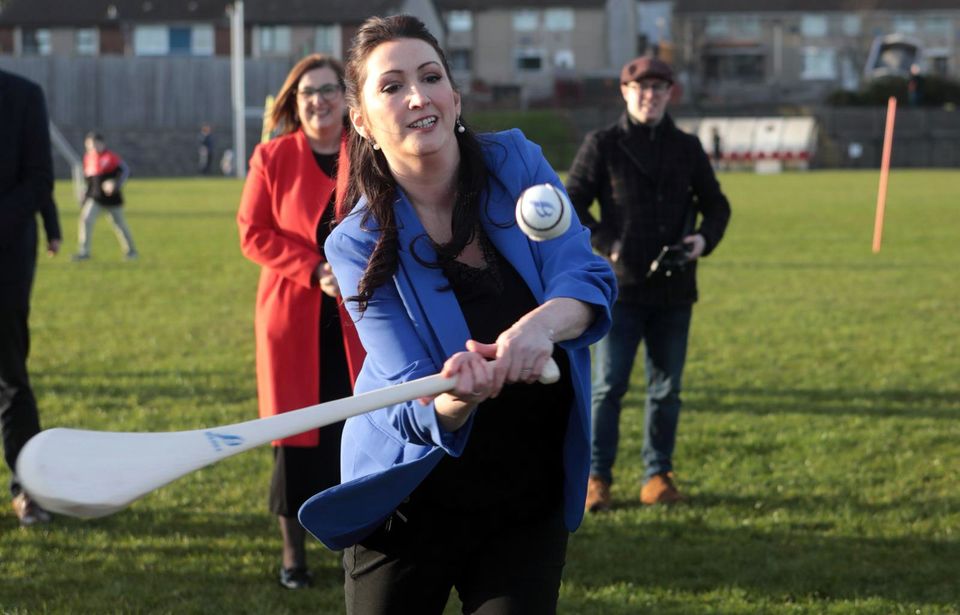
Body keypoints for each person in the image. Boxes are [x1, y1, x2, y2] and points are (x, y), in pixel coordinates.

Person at [297, 16, 616, 614]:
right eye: (391, 86)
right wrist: (457, 393)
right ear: (361, 120)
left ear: (455, 96)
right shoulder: (354, 242)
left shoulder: (515, 162)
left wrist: (538, 327)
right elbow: (410, 394)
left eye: (430, 76)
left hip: (527, 486)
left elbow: (584, 275)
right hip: (412, 496)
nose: (417, 96)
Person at [566, 56, 731, 512]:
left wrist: (703, 240)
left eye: (659, 89)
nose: (650, 96)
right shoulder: (602, 144)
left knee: (666, 390)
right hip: (620, 290)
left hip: (676, 290)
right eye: (642, 88)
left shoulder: (687, 146)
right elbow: (572, 203)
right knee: (608, 389)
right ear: (624, 91)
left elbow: (717, 206)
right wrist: (607, 244)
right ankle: (596, 478)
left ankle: (657, 475)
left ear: (669, 94)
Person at [237, 53, 366, 590]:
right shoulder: (271, 156)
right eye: (308, 91)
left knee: (358, 433)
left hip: (360, 319)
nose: (319, 99)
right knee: (295, 443)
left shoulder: (367, 154)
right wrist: (313, 270)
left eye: (329, 89)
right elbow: (252, 232)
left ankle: (360, 550)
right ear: (294, 100)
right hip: (292, 318)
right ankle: (294, 558)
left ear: (346, 96)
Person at [0, 69, 61, 526]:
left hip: (7, 259)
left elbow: (40, 180)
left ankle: (27, 487)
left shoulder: (23, 95)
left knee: (9, 376)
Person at [72, 132, 138, 261]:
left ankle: (131, 252)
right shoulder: (88, 158)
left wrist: (115, 184)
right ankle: (84, 252)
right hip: (95, 198)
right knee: (86, 220)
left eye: (94, 145)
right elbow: (90, 181)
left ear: (101, 143)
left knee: (119, 225)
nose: (92, 148)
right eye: (89, 146)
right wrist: (85, 193)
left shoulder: (111, 157)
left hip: (111, 199)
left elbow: (125, 171)